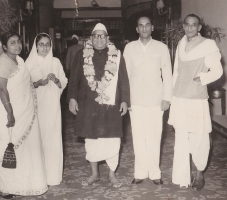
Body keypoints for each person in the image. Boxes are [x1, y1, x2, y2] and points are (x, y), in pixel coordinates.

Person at [67, 23, 130, 188]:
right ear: (90, 38)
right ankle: (94, 174)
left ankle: (112, 174)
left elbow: (123, 79)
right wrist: (72, 98)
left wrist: (125, 100)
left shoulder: (117, 55)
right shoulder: (81, 54)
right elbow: (74, 79)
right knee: (91, 138)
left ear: (108, 38)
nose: (99, 39)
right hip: (88, 103)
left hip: (111, 104)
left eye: (102, 36)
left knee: (113, 139)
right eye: (96, 35)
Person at [168, 14, 223, 190]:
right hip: (180, 98)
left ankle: (199, 173)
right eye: (187, 25)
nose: (190, 28)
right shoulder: (181, 44)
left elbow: (218, 71)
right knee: (181, 137)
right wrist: (171, 95)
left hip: (197, 99)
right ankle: (183, 177)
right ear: (183, 26)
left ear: (199, 28)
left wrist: (203, 77)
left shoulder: (208, 45)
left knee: (200, 137)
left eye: (194, 25)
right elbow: (176, 71)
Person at [123, 16, 172, 185]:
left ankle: (155, 173)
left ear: (152, 27)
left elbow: (167, 75)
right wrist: (125, 99)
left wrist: (167, 98)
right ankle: (140, 172)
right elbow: (125, 76)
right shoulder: (129, 48)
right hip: (135, 100)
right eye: (141, 26)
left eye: (147, 25)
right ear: (137, 29)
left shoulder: (161, 47)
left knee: (154, 136)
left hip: (156, 100)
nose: (144, 28)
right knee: (138, 136)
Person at [0, 32, 48, 199]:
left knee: (27, 150)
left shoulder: (19, 60)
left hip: (25, 112)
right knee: (11, 147)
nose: (17, 45)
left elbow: (25, 85)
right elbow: (2, 89)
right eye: (12, 43)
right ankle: (6, 186)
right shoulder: (3, 62)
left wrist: (38, 83)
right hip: (11, 112)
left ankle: (25, 183)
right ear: (4, 46)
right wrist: (10, 112)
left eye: (19, 41)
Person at [26, 33, 68, 186]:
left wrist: (55, 80)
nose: (44, 47)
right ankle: (38, 175)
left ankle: (52, 175)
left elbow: (63, 81)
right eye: (41, 44)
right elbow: (23, 85)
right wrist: (38, 83)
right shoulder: (29, 63)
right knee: (37, 138)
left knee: (52, 138)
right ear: (36, 46)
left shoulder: (55, 62)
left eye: (47, 44)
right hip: (35, 106)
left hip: (52, 106)